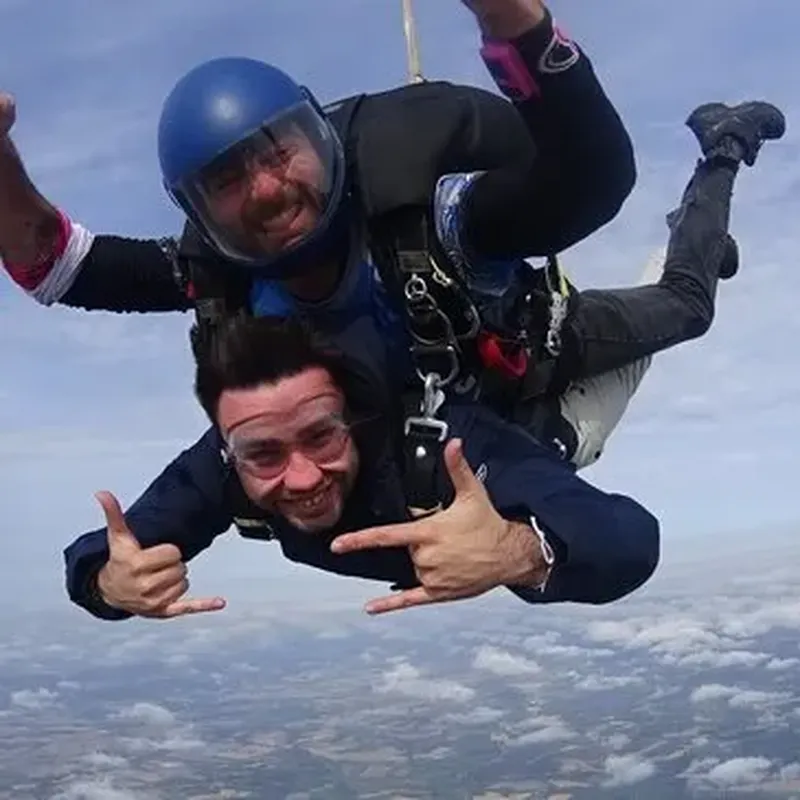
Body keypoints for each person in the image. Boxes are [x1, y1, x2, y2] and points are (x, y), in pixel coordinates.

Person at [64, 314, 660, 621]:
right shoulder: (224, 464)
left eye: (321, 436)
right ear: (228, 446)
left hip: (552, 430)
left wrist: (517, 553)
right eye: (264, 453)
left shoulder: (446, 443)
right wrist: (109, 588)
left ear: (351, 417)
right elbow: (102, 554)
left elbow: (629, 540)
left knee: (679, 309)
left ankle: (721, 157)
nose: (300, 476)